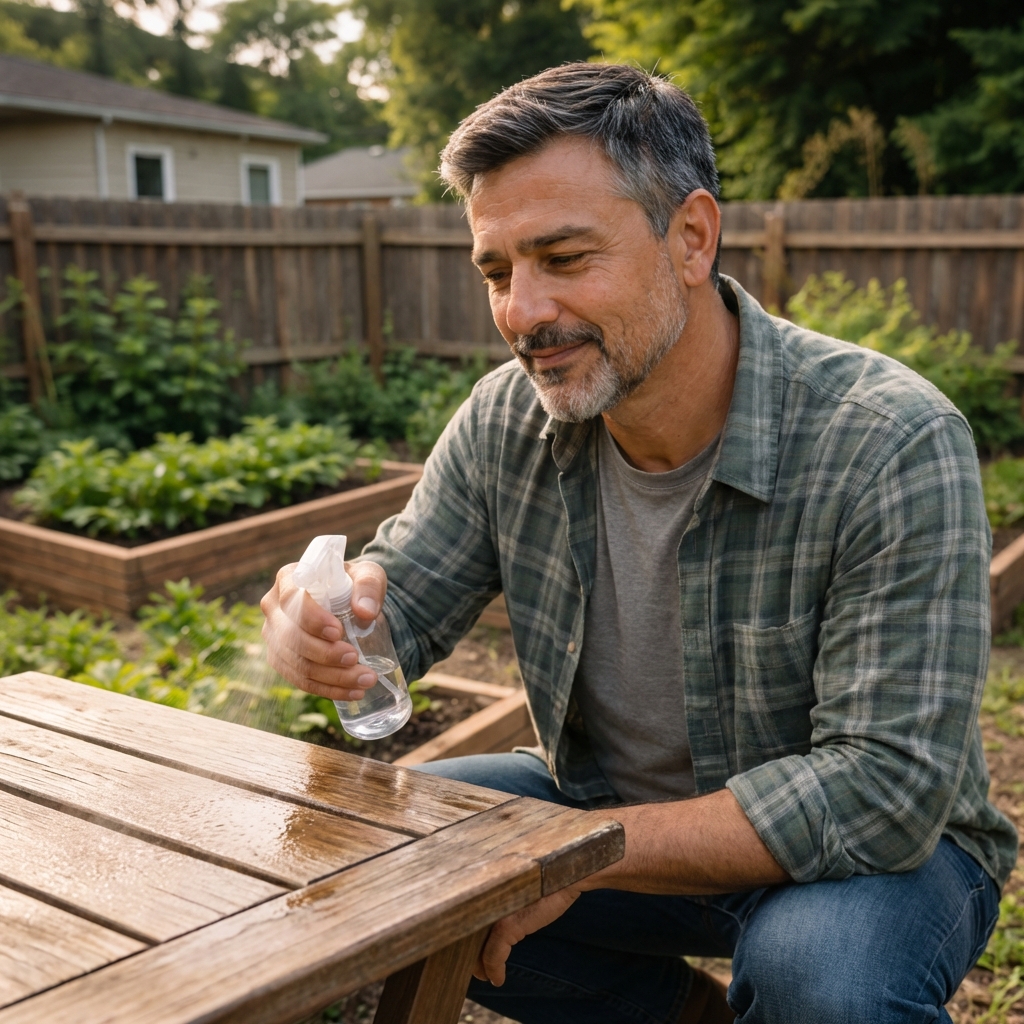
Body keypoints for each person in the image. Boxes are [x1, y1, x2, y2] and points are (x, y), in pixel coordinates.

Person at [261, 63, 1017, 1024]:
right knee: (383, 856)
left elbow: (883, 790)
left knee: (820, 980)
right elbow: (397, 601)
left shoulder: (889, 441)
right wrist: (324, 624)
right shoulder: (508, 421)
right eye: (497, 271)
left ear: (691, 238)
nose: (522, 314)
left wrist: (574, 853)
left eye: (565, 258)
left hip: (887, 853)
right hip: (605, 801)